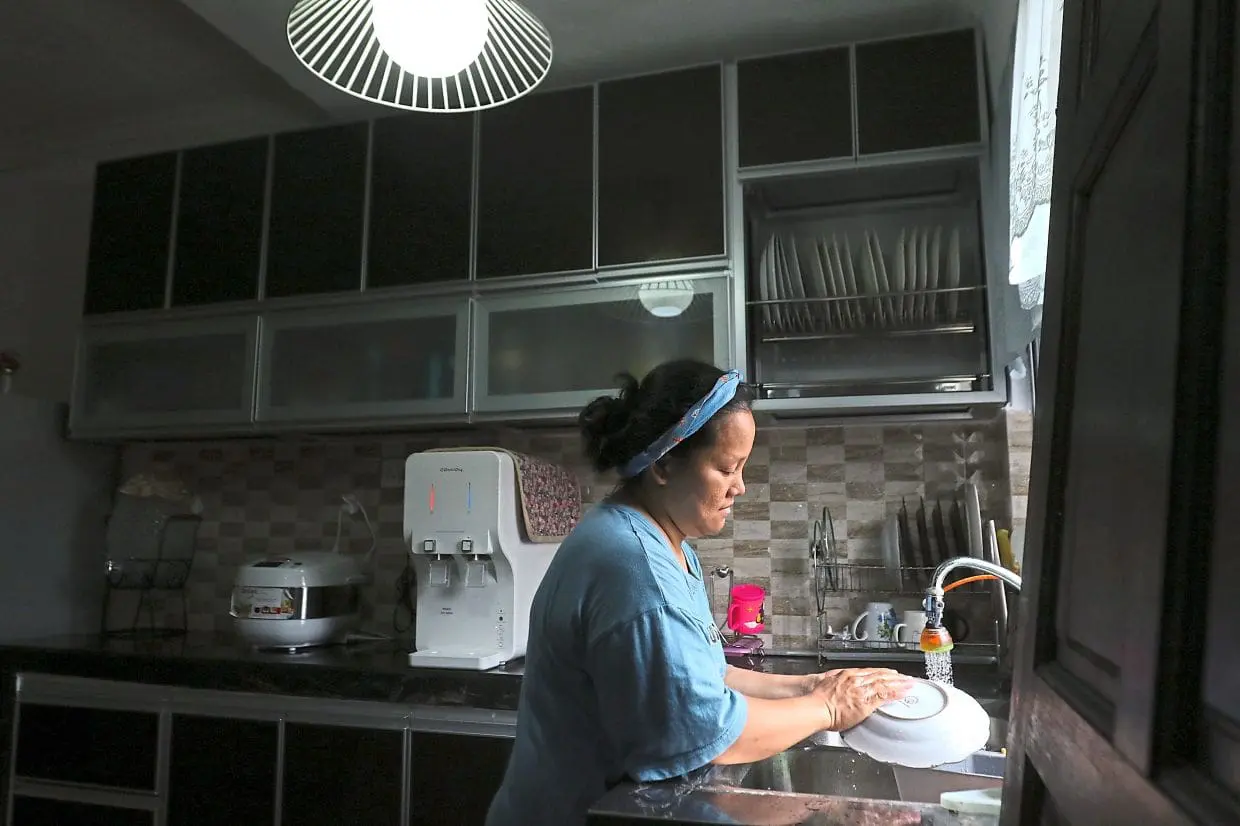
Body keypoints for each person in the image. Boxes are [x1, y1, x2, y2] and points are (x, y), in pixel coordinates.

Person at [485, 359, 913, 826]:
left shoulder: (662, 544)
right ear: (666, 464)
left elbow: (709, 676)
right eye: (727, 467)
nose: (740, 487)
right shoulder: (636, 568)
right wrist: (828, 708)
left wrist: (812, 685)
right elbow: (707, 728)